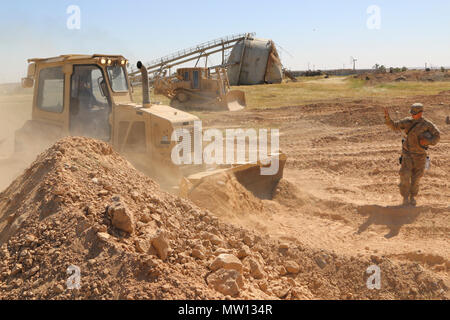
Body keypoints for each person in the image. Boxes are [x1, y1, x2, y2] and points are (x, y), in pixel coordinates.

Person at [384, 103, 440, 206]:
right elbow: (394, 126)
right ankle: (405, 197)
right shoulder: (407, 122)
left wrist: (428, 141)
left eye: (415, 113)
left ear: (421, 113)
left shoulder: (427, 125)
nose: (413, 115)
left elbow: (437, 136)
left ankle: (412, 197)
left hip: (420, 155)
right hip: (407, 154)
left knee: (416, 177)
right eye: (412, 113)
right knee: (405, 175)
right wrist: (387, 118)